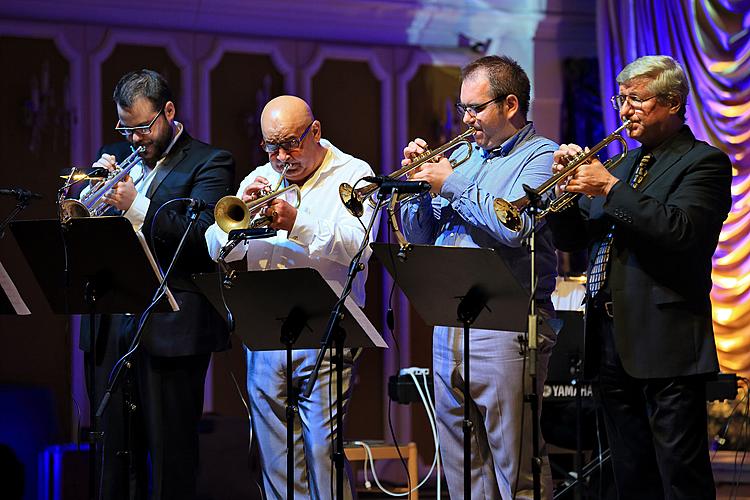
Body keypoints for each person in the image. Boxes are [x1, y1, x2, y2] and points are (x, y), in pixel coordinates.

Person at [546, 55, 732, 498]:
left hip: (666, 338)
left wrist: (608, 188)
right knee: (629, 473)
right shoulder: (625, 165)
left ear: (671, 103)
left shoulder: (704, 162)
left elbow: (680, 230)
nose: (625, 110)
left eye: (636, 100)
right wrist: (564, 192)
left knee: (680, 472)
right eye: (621, 100)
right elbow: (575, 240)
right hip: (610, 337)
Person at [400, 55, 558, 499]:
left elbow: (513, 227)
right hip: (450, 320)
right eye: (462, 109)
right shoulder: (464, 156)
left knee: (516, 467)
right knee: (462, 467)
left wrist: (450, 184)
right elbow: (420, 235)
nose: (466, 120)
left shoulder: (541, 157)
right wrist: (417, 189)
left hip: (507, 324)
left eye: (475, 108)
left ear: (510, 104)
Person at [204, 95, 378, 499]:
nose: (282, 157)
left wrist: (297, 221)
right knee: (275, 457)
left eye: (291, 144)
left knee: (321, 453)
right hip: (266, 333)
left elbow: (359, 246)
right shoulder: (260, 176)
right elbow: (218, 249)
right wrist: (239, 218)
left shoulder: (354, 173)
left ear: (315, 132)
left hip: (328, 332)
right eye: (271, 146)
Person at [81, 69, 235, 499]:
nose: (133, 140)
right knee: (112, 456)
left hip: (173, 328)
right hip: (111, 325)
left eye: (143, 128)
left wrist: (136, 206)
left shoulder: (210, 162)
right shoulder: (111, 155)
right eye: (125, 129)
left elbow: (201, 238)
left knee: (171, 457)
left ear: (168, 112)